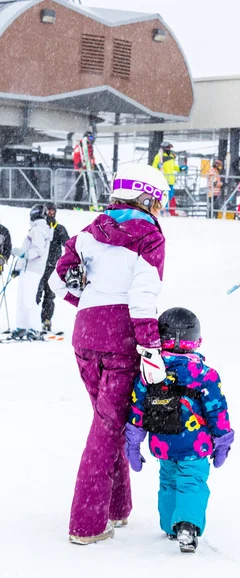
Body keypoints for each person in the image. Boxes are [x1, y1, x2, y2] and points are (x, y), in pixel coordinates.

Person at [49, 164, 170, 545]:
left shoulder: (88, 232)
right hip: (122, 339)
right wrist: (151, 347)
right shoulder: (148, 235)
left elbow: (57, 279)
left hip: (85, 336)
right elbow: (143, 296)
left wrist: (87, 303)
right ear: (147, 197)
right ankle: (86, 523)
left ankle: (116, 507)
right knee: (105, 429)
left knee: (110, 424)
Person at [125, 307, 234, 553]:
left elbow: (137, 407)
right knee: (192, 481)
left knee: (168, 481)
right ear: (196, 340)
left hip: (163, 443)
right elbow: (218, 411)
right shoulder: (204, 374)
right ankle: (187, 524)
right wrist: (222, 441)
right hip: (196, 445)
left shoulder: (149, 372)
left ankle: (169, 524)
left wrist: (133, 442)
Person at [10, 204, 52, 340]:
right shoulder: (37, 229)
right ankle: (22, 327)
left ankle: (35, 329)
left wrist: (23, 254)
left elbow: (37, 251)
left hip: (33, 270)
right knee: (21, 300)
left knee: (28, 300)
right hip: (27, 269)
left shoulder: (38, 230)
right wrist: (18, 267)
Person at [36, 202, 69, 332]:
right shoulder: (39, 227)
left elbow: (68, 244)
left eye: (52, 211)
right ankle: (31, 319)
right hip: (38, 267)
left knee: (49, 297)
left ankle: (46, 320)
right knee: (35, 294)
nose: (50, 213)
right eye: (47, 211)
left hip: (52, 268)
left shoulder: (59, 228)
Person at [152, 141, 188, 213]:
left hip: (170, 180)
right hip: (163, 180)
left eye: (170, 148)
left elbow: (174, 167)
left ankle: (166, 210)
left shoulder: (171, 157)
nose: (169, 149)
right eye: (168, 147)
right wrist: (158, 166)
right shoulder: (159, 156)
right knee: (163, 197)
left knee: (170, 196)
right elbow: (154, 167)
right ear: (164, 148)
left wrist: (180, 168)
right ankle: (162, 211)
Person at [72, 130, 96, 206]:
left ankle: (92, 203)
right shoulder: (79, 146)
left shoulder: (90, 147)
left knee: (91, 187)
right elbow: (76, 157)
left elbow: (92, 157)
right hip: (80, 170)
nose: (91, 140)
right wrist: (79, 167)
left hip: (88, 170)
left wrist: (92, 165)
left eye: (92, 138)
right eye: (90, 138)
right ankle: (76, 204)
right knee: (79, 187)